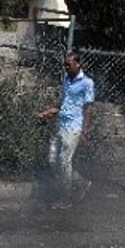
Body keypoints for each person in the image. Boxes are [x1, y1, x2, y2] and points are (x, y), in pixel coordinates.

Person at [38, 50, 94, 206]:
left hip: (73, 128)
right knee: (52, 159)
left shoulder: (87, 83)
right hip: (60, 125)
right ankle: (81, 183)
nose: (66, 68)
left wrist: (85, 132)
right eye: (64, 66)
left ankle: (66, 197)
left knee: (64, 162)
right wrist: (47, 112)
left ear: (77, 64)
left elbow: (89, 108)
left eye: (68, 65)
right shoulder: (67, 81)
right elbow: (63, 103)